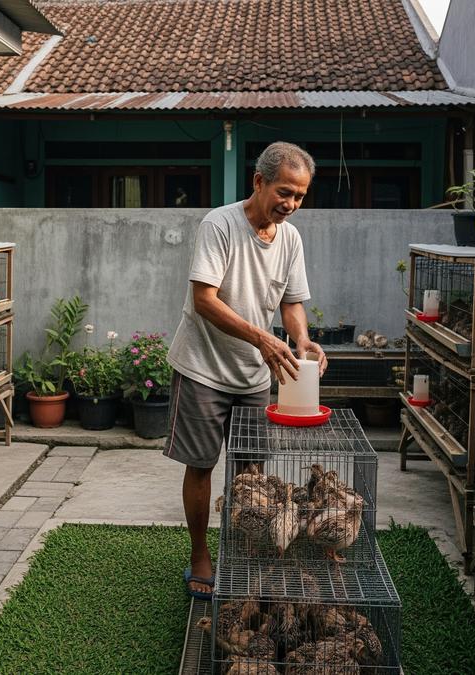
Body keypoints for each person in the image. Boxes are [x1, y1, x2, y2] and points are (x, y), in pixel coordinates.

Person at [163, 141, 328, 600]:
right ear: (259, 181)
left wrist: (300, 340)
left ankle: (245, 551)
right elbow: (204, 300)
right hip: (202, 367)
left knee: (252, 474)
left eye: (299, 196)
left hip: (254, 375)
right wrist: (263, 337)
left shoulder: (290, 239)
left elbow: (291, 301)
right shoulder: (220, 225)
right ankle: (200, 554)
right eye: (284, 192)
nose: (291, 205)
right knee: (201, 464)